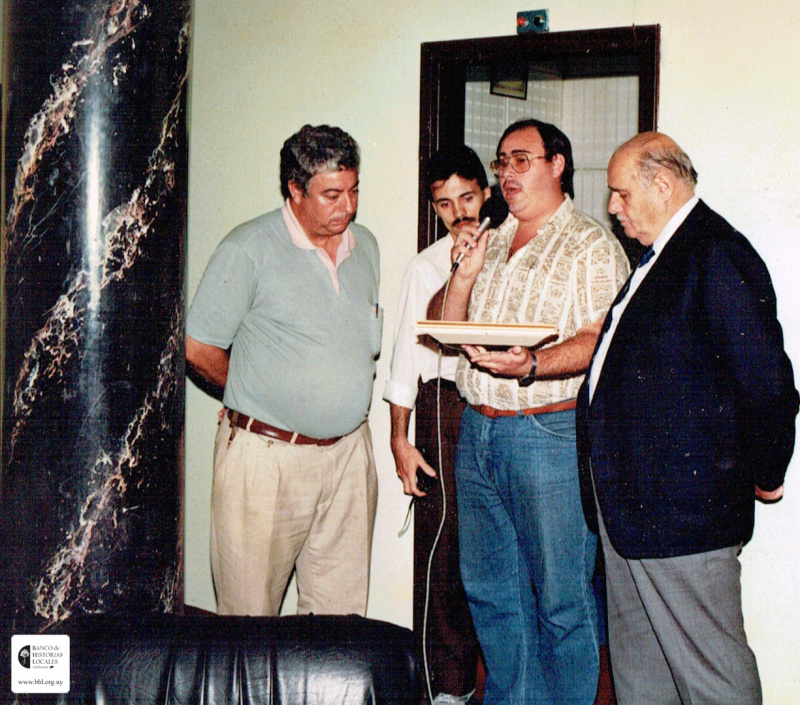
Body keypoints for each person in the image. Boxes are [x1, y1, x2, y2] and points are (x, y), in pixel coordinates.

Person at [577, 132, 799, 703]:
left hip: (683, 519)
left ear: (662, 184)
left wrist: (768, 472)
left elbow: (768, 383)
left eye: (622, 193)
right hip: (632, 515)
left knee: (714, 682)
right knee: (643, 682)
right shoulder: (659, 257)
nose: (612, 206)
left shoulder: (715, 252)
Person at [430, 119, 630, 704]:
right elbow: (443, 327)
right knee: (493, 595)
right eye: (501, 163)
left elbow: (599, 339)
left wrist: (534, 365)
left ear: (557, 164)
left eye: (522, 160)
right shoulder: (490, 238)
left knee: (562, 600)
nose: (507, 174)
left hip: (548, 432)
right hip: (479, 430)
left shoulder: (590, 244)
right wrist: (464, 272)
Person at [185, 124, 382, 617]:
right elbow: (198, 348)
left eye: (354, 190)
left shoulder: (366, 247)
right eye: (332, 195)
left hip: (349, 458)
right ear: (295, 190)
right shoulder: (247, 248)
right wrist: (251, 393)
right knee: (250, 621)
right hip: (266, 460)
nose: (348, 207)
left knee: (339, 626)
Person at [384, 145, 489, 704]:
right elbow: (405, 358)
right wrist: (399, 439)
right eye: (444, 204)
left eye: (467, 198)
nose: (458, 213)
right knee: (444, 549)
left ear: (486, 195)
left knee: (495, 549)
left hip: (501, 404)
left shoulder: (513, 253)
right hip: (444, 407)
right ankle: (446, 688)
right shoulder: (424, 265)